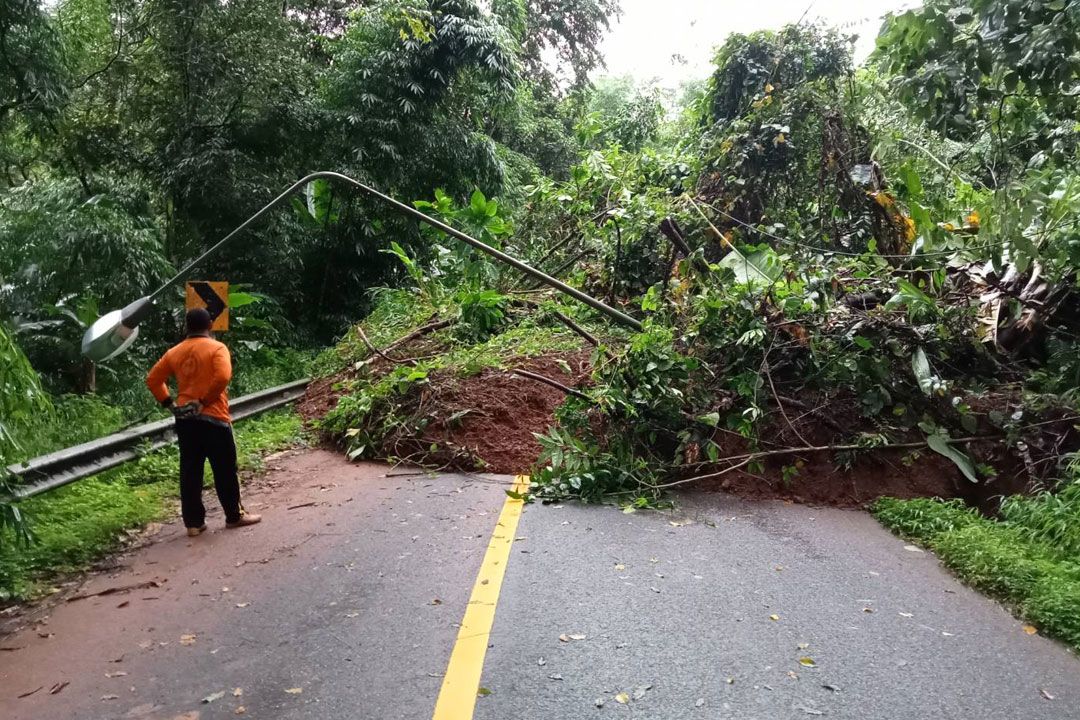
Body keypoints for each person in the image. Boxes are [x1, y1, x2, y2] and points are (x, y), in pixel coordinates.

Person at [146, 308, 261, 536]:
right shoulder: (217, 348)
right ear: (210, 324)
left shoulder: (174, 352)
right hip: (215, 418)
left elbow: (153, 379)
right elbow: (223, 377)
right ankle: (234, 516)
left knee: (190, 470)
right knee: (225, 469)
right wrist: (204, 400)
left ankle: (193, 523)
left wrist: (170, 404)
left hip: (186, 421)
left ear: (186, 326)